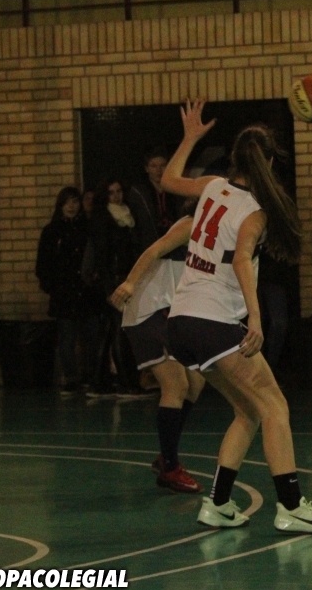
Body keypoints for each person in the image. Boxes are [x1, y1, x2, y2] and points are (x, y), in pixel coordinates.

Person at [161, 98, 312, 534]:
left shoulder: (211, 186)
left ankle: (218, 503)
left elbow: (168, 180)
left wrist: (189, 138)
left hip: (180, 320)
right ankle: (292, 507)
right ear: (269, 163)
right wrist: (257, 320)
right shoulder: (253, 211)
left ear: (235, 159)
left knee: (248, 410)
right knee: (275, 405)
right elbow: (242, 260)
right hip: (213, 322)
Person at [108, 206, 207, 494]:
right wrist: (129, 282)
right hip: (149, 309)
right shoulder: (191, 223)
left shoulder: (220, 234)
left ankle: (166, 455)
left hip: (172, 311)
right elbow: (153, 250)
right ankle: (170, 468)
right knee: (176, 385)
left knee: (196, 383)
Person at [85, 176, 142, 396]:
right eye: (111, 192)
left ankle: (100, 382)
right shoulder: (105, 218)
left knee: (109, 331)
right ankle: (126, 382)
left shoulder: (125, 214)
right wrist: (109, 287)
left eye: (118, 191)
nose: (116, 196)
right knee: (118, 331)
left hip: (120, 278)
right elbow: (103, 255)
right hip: (114, 279)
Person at [35, 186, 91, 393]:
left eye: (75, 201)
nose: (71, 206)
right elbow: (42, 264)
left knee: (90, 337)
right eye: (67, 202)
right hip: (64, 293)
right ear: (60, 205)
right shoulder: (51, 231)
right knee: (67, 338)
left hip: (86, 291)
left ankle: (90, 376)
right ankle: (71, 378)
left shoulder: (87, 228)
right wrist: (52, 286)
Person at [129, 146, 184, 252]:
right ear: (147, 168)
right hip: (149, 248)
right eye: (153, 166)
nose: (158, 170)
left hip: (175, 247)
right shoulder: (139, 193)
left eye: (162, 165)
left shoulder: (177, 190)